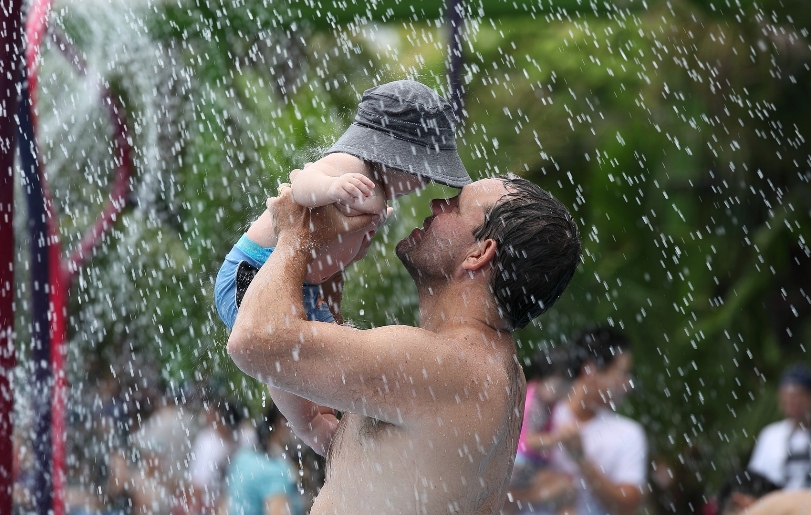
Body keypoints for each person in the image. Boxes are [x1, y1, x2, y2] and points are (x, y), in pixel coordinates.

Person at [227, 170, 581, 512]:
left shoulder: (444, 366)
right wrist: (326, 267)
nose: (437, 204)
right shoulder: (496, 372)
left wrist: (294, 234)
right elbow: (373, 463)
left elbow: (253, 341)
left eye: (455, 206)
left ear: (479, 254)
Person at [215, 79, 472, 330]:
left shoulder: (373, 196)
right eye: (425, 173)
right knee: (278, 343)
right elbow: (302, 183)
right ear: (397, 159)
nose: (426, 183)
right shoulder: (352, 167)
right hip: (253, 272)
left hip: (302, 284)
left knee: (328, 356)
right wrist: (331, 188)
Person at [511, 327, 648, 515]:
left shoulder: (629, 433)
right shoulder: (545, 410)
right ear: (590, 370)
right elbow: (495, 482)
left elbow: (628, 507)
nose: (628, 384)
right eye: (622, 373)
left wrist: (582, 460)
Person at [508, 345, 586, 513]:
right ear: (541, 378)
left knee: (566, 489)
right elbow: (531, 441)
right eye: (558, 386)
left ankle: (513, 499)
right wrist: (559, 438)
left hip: (522, 464)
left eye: (567, 386)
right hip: (521, 465)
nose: (562, 392)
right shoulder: (536, 405)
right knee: (566, 489)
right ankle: (514, 497)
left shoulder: (539, 397)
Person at [223, 403, 305, 515]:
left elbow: (224, 505)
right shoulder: (276, 470)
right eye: (299, 423)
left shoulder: (242, 457)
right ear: (282, 422)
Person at [747, 364, 811, 489]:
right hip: (777, 505)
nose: (792, 401)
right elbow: (755, 477)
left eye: (798, 395)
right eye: (787, 396)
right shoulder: (770, 435)